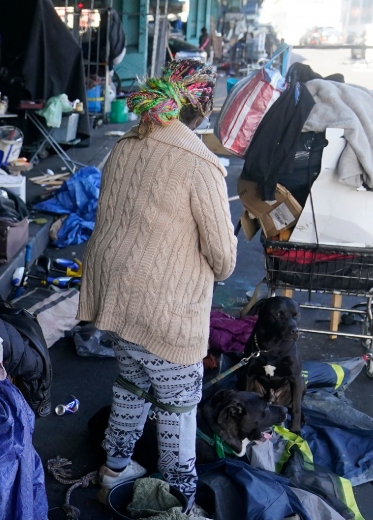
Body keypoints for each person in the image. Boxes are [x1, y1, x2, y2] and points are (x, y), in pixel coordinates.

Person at [78, 59, 236, 511]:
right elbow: (223, 261)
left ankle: (115, 470)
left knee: (132, 384)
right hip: (164, 307)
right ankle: (175, 499)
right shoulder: (198, 161)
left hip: (116, 298)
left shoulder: (127, 143)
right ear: (202, 107)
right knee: (178, 406)